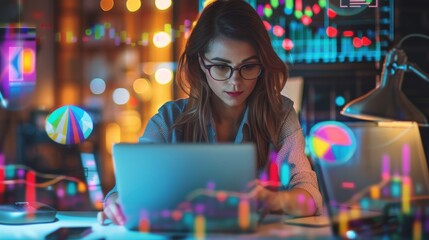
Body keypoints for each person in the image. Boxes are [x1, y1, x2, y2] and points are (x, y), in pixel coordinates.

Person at [98, 0, 323, 225]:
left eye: (248, 66)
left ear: (262, 64)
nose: (235, 81)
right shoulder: (169, 121)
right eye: (222, 66)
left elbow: (310, 196)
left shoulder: (279, 115)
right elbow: (126, 190)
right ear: (200, 63)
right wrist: (116, 202)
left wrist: (273, 200)